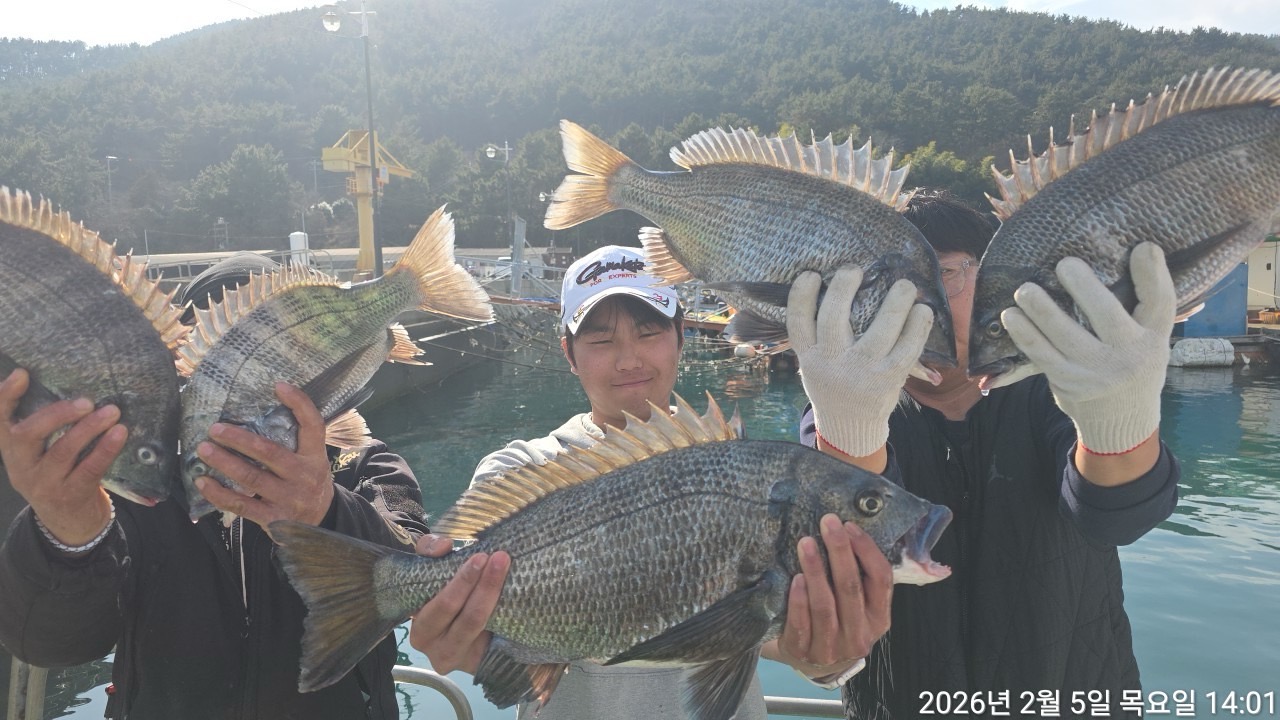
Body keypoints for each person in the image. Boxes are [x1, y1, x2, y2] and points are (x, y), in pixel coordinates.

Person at [407, 245, 895, 720]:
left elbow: (760, 628)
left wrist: (817, 655)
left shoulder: (734, 467)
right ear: (569, 354)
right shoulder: (518, 471)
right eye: (601, 341)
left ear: (681, 336)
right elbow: (488, 644)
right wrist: (464, 641)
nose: (629, 359)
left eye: (648, 332)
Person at [788, 189, 1180, 719]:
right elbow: (844, 551)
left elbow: (1117, 514)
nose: (918, 303)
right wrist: (851, 428)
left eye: (944, 273)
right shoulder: (838, 407)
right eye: (890, 285)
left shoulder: (1061, 388)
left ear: (994, 276)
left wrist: (1118, 420)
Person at [0, 255, 429, 720]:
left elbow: (417, 583)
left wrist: (326, 513)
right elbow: (51, 645)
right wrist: (66, 533)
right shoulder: (134, 490)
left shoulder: (363, 463)